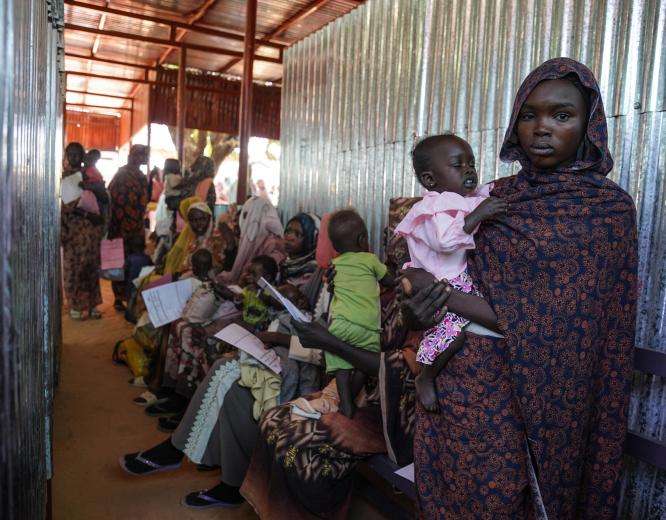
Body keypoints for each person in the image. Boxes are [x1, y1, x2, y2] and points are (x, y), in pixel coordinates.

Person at [402, 58, 637, 518]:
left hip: (543, 404)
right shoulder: (492, 197)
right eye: (529, 115)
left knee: (506, 502)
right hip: (460, 394)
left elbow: (560, 322)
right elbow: (428, 269)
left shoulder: (607, 212)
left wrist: (442, 294)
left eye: (562, 115)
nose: (541, 128)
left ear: (590, 125)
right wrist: (416, 307)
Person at [394, 134, 507, 411]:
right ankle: (426, 376)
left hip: (454, 278)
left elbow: (485, 193)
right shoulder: (432, 208)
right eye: (458, 165)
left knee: (464, 329)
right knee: (453, 333)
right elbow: (444, 241)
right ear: (430, 180)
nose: (469, 170)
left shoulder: (459, 199)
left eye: (472, 163)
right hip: (437, 281)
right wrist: (479, 215)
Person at [326, 209, 393, 417]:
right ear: (363, 239)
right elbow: (390, 281)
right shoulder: (370, 260)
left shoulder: (334, 266)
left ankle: (345, 401)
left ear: (335, 247)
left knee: (340, 365)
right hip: (367, 326)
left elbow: (334, 292)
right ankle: (352, 399)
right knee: (364, 363)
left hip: (340, 324)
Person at [61, 142, 104, 320]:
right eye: (70, 154)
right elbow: (67, 205)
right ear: (66, 156)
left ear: (83, 155)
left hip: (91, 233)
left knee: (92, 267)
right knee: (74, 268)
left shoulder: (90, 175)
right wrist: (88, 215)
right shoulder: (65, 178)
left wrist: (96, 189)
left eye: (77, 154)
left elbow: (104, 197)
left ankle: (93, 305)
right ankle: (76, 305)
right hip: (73, 231)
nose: (74, 158)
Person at [108, 144, 149, 311]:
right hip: (128, 229)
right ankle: (125, 297)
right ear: (135, 156)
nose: (144, 159)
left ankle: (122, 298)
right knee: (126, 263)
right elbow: (141, 203)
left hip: (120, 227)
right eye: (142, 155)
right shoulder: (134, 176)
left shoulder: (124, 173)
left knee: (120, 262)